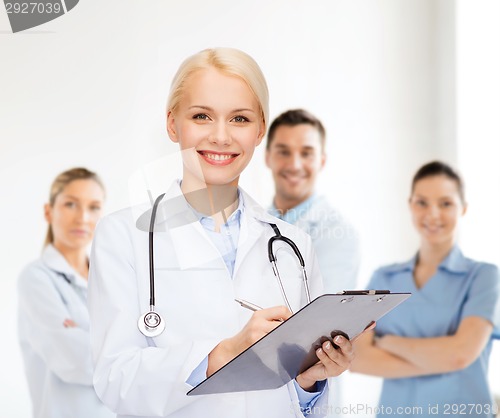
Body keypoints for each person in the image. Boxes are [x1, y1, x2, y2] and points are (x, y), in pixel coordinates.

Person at [88, 48, 359, 418]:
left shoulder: (293, 244)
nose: (220, 136)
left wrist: (311, 380)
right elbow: (115, 379)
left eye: (239, 119)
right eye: (201, 116)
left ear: (260, 129)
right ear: (172, 124)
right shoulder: (123, 236)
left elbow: (297, 395)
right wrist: (224, 353)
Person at [350, 161, 500, 418]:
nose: (433, 214)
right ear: (410, 205)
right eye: (422, 202)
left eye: (445, 203)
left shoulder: (484, 277)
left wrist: (387, 342)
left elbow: (460, 355)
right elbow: (358, 360)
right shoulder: (383, 278)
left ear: (462, 208)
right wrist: (442, 359)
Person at [17, 167, 113, 418]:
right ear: (48, 211)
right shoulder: (36, 278)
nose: (83, 217)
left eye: (93, 207)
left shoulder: (110, 278)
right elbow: (76, 359)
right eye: (71, 204)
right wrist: (127, 353)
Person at [265, 109, 360, 293]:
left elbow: (321, 313)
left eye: (306, 153)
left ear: (322, 161)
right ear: (268, 157)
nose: (294, 165)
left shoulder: (340, 233)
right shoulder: (251, 223)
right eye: (283, 152)